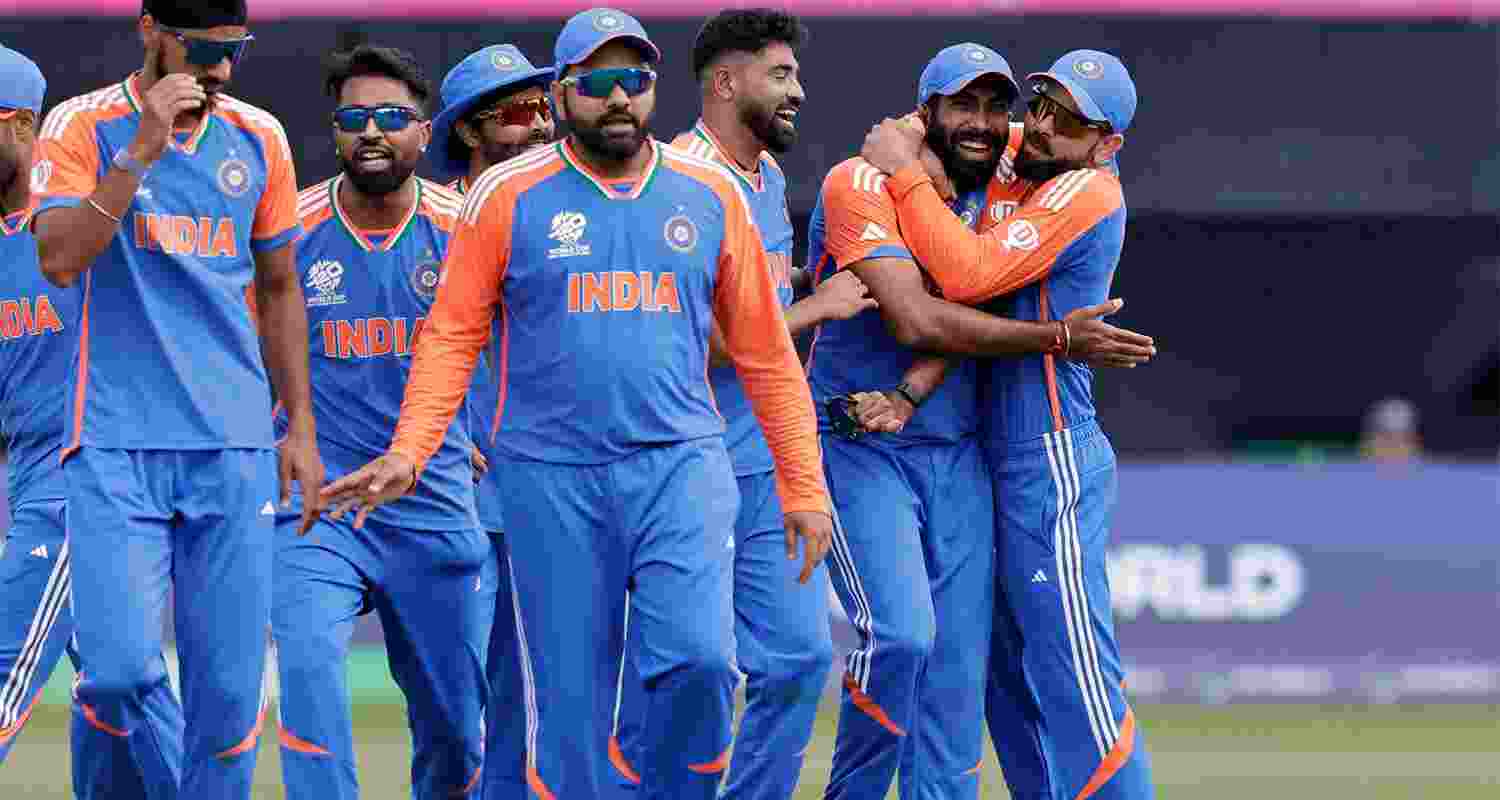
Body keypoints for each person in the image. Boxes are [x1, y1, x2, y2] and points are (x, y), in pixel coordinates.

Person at [320, 8, 834, 799]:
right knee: (566, 716)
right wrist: (413, 450)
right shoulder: (506, 193)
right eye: (598, 83)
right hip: (549, 481)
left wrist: (803, 486)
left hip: (680, 467)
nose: (620, 98)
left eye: (635, 80)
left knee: (701, 663)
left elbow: (766, 354)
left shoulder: (707, 194)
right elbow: (452, 338)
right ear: (564, 94)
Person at [806, 43, 1153, 800]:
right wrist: (909, 151)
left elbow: (966, 281)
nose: (1038, 127)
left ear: (1107, 144)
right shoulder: (1009, 163)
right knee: (995, 677)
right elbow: (949, 312)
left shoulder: (1082, 189)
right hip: (964, 452)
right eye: (1041, 106)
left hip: (1048, 453)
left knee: (1071, 673)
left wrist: (906, 166)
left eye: (1071, 120)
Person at [30, 1, 323, 796]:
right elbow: (58, 258)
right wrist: (140, 154)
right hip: (114, 439)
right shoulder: (81, 124)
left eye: (235, 53)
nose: (219, 73)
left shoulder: (259, 136)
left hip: (233, 446)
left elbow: (280, 285)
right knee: (118, 673)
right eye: (200, 51)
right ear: (150, 30)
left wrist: (299, 425)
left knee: (228, 701)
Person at [608, 10, 875, 800]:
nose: (799, 90)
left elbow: (758, 324)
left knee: (796, 661)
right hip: (686, 464)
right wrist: (816, 307)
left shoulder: (765, 180)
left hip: (763, 461)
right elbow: (689, 338)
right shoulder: (678, 178)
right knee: (684, 672)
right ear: (726, 82)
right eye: (780, 74)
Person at [256, 45, 489, 800]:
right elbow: (237, 338)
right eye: (354, 118)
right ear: (335, 133)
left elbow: (524, 338)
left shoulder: (466, 226)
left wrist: (484, 429)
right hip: (315, 509)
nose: (372, 133)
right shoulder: (290, 226)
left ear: (425, 134)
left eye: (392, 118)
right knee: (310, 679)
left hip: (433, 504)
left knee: (456, 732)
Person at [0, 45, 186, 795]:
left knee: (6, 658)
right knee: (127, 689)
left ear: (18, 124)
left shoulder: (90, 221)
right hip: (30, 478)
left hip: (93, 476)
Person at [428, 41, 557, 800]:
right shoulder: (436, 221)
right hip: (449, 502)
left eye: (544, 107)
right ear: (471, 133)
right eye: (516, 112)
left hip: (541, 493)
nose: (540, 126)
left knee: (532, 701)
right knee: (458, 709)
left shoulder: (558, 216)